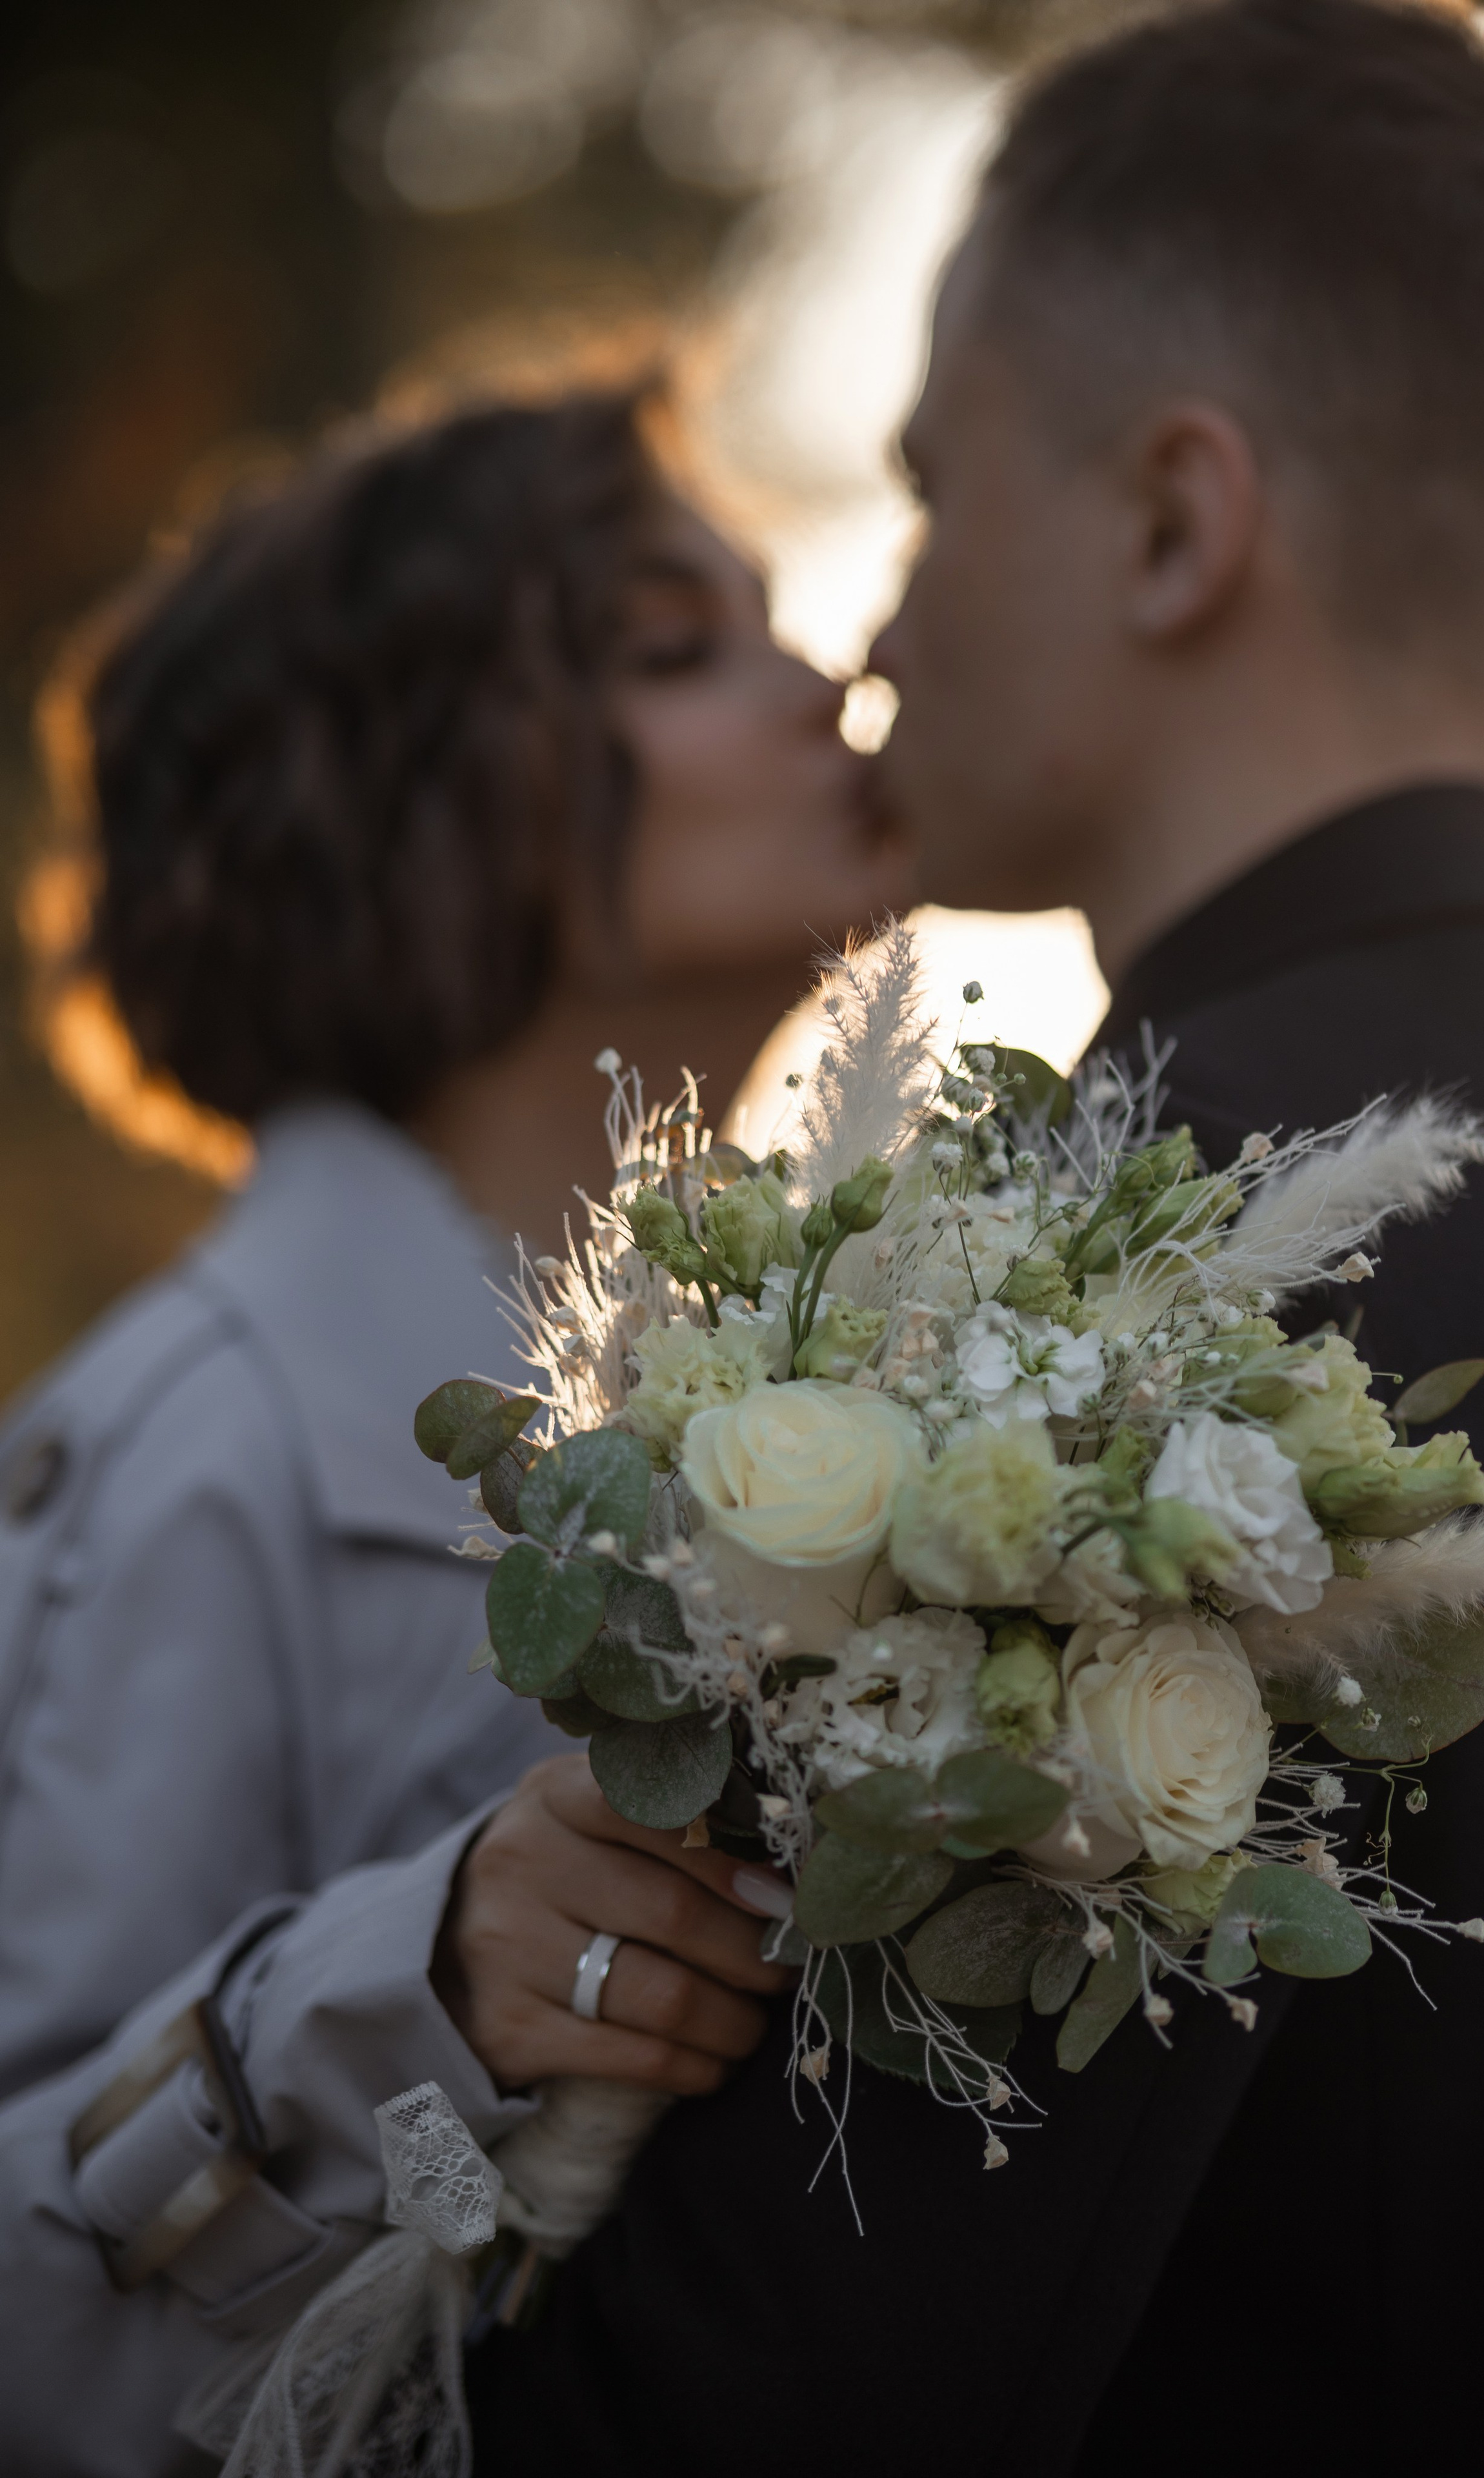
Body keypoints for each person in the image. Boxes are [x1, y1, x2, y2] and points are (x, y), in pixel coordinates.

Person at [456, 1, 1484, 2465]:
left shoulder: (1069, 1310)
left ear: (1170, 524)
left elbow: (773, 2384)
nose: (878, 628)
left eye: (930, 491)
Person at [0, 391, 906, 2470]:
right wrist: (408, 1982)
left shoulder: (789, 1398)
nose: (831, 685)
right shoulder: (201, 1446)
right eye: (679, 648)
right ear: (423, 796)